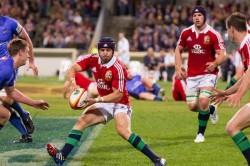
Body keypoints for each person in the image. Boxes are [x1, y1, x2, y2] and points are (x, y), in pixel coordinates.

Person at [46, 37, 166, 166]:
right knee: (81, 122)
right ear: (99, 50)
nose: (105, 53)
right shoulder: (92, 59)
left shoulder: (118, 68)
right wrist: (73, 83)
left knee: (123, 131)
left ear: (113, 51)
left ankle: (157, 160)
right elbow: (72, 69)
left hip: (120, 103)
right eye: (102, 50)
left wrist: (96, 100)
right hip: (104, 102)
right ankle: (61, 156)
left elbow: (118, 94)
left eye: (108, 50)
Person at [174, 6, 227, 143]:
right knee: (192, 106)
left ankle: (200, 134)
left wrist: (215, 64)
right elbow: (178, 50)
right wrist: (178, 68)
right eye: (194, 15)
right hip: (191, 74)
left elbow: (222, 54)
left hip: (208, 74)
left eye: (199, 15)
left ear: (204, 17)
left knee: (203, 101)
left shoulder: (213, 34)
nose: (196, 18)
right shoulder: (186, 33)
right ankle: (211, 109)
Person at [211, 12, 250, 165]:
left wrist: (239, 94)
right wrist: (227, 92)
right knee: (232, 127)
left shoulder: (247, 43)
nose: (228, 34)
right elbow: (246, 76)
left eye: (227, 30)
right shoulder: (244, 46)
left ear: (232, 29)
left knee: (233, 127)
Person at [0, 2, 39, 142]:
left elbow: (26, 40)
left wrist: (32, 61)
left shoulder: (10, 23)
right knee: (5, 105)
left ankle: (24, 119)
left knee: (7, 99)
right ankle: (24, 123)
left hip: (8, 68)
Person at [0, 38, 49, 133]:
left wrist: (34, 103)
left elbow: (11, 93)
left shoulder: (11, 68)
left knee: (4, 114)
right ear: (20, 52)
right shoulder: (6, 69)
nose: (29, 56)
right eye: (27, 52)